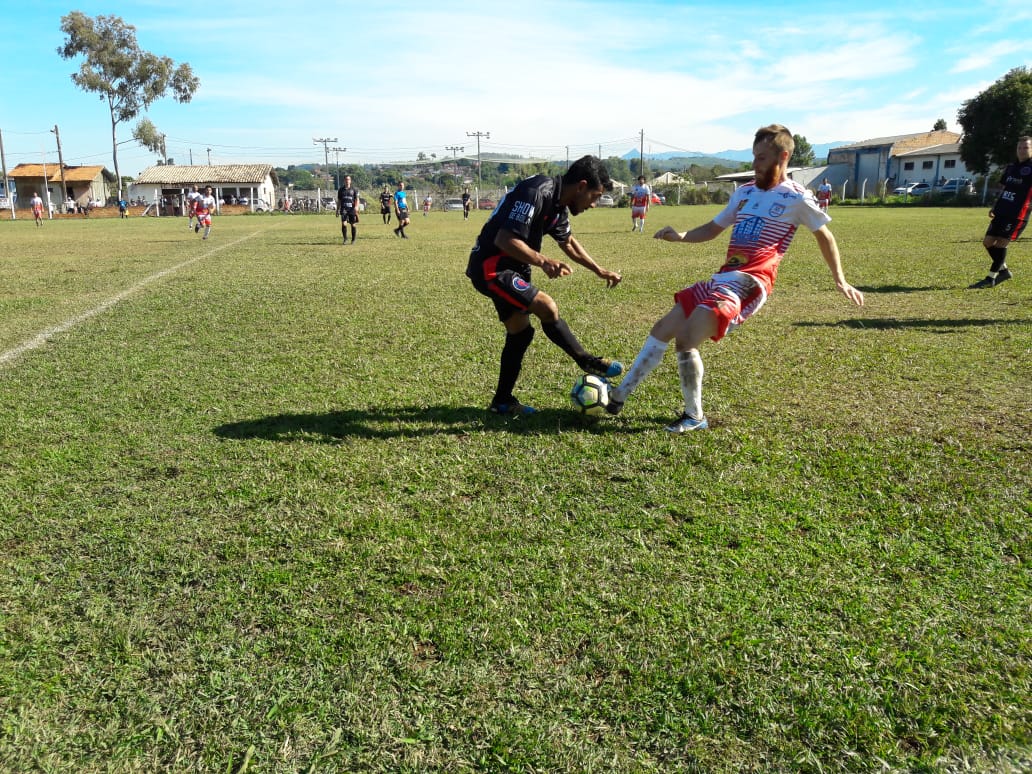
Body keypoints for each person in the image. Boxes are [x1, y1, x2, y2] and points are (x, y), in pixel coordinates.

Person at [607, 124, 865, 433]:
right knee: (663, 328)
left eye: (761, 158)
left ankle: (694, 416)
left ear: (782, 157)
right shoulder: (743, 194)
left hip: (751, 282)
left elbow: (825, 236)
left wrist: (841, 279)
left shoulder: (796, 197)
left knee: (687, 339)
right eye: (754, 157)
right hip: (723, 278)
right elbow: (713, 229)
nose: (754, 165)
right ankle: (618, 396)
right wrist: (681, 236)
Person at [466, 154, 624, 416]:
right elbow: (505, 239)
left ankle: (502, 402)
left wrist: (598, 269)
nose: (594, 205)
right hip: (492, 266)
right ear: (582, 186)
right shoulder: (536, 191)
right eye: (595, 197)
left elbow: (569, 242)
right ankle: (586, 360)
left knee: (521, 333)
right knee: (546, 307)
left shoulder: (559, 205)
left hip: (513, 267)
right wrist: (543, 261)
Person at [970, 135, 1032, 288]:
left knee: (1001, 245)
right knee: (987, 242)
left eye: (1026, 148)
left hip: (1018, 213)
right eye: (1019, 147)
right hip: (1002, 209)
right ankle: (1004, 271)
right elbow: (1004, 188)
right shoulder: (1011, 167)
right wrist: (995, 205)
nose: (1022, 150)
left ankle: (990, 278)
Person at [337, 174, 360, 245]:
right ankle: (345, 239)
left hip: (352, 209)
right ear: (344, 181)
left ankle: (353, 240)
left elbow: (357, 199)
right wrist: (337, 209)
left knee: (353, 225)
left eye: (348, 179)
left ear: (350, 181)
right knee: (344, 224)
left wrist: (356, 207)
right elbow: (339, 201)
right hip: (344, 209)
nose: (347, 181)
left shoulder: (354, 189)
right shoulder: (341, 190)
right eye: (346, 179)